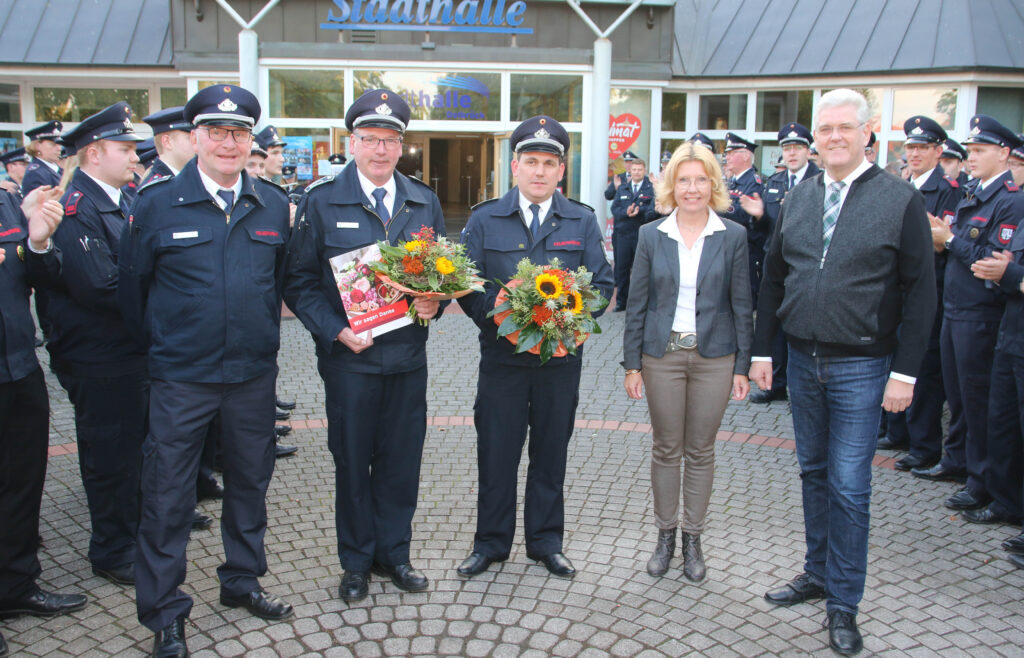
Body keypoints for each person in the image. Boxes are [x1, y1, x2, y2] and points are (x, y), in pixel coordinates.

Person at [750, 89, 935, 656]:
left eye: (843, 128)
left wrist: (904, 373)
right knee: (812, 471)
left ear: (866, 133)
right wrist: (762, 352)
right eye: (824, 128)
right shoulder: (801, 195)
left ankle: (843, 605)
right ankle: (818, 572)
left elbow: (922, 291)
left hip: (863, 363)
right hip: (803, 362)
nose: (832, 137)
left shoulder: (899, 199)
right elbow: (774, 278)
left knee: (851, 486)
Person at [119, 84, 294, 657]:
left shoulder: (271, 204)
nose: (228, 142)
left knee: (249, 484)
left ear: (250, 142)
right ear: (193, 138)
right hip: (181, 378)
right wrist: (170, 348)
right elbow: (133, 293)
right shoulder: (155, 204)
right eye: (215, 132)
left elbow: (283, 284)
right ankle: (165, 614)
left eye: (238, 133)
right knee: (167, 496)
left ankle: (242, 581)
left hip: (250, 377)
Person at [283, 88, 445, 603]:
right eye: (370, 139)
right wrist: (334, 329)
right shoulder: (321, 200)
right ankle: (355, 561)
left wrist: (433, 303)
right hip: (349, 360)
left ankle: (394, 554)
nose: (380, 150)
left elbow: (441, 272)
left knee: (401, 462)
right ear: (351, 142)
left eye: (390, 140)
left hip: (406, 359)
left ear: (402, 146)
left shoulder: (424, 201)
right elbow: (299, 282)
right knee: (352, 461)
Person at [456, 115, 614, 580]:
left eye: (549, 163)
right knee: (497, 453)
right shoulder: (486, 218)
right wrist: (509, 319)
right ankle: (490, 544)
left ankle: (546, 543)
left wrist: (564, 321)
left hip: (560, 363)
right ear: (515, 167)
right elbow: (468, 285)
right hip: (503, 362)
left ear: (562, 171)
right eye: (531, 162)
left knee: (551, 454)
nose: (540, 171)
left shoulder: (581, 221)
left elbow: (601, 287)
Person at [622, 142, 752, 582]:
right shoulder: (651, 235)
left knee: (700, 450)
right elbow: (637, 303)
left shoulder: (733, 235)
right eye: (683, 180)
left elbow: (742, 303)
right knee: (665, 447)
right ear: (670, 185)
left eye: (700, 179)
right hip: (663, 356)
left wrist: (742, 367)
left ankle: (693, 539)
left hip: (716, 357)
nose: (692, 188)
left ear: (712, 184)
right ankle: (665, 536)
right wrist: (632, 364)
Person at [34, 102, 148, 587]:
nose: (134, 158)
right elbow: (101, 286)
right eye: (124, 149)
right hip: (98, 356)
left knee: (131, 453)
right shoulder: (77, 207)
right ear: (94, 153)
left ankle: (132, 534)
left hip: (125, 353)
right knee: (110, 456)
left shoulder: (119, 199)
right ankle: (112, 548)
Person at [918, 117, 1024, 520]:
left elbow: (989, 264)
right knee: (960, 396)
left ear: (1003, 154)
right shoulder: (974, 193)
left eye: (980, 151)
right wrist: (949, 239)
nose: (970, 157)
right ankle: (962, 464)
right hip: (956, 308)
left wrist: (951, 241)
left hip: (981, 313)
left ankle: (982, 482)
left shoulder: (1010, 201)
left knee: (980, 402)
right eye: (971, 150)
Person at [0, 186, 88, 625]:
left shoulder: (4, 202)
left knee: (22, 482)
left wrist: (38, 241)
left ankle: (15, 585)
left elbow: (45, 279)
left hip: (17, 366)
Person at [877, 116, 963, 472]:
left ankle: (925, 446)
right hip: (897, 290)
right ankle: (898, 431)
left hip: (931, 290)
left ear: (938, 151)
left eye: (922, 147)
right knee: (895, 359)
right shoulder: (903, 185)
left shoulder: (949, 191)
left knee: (924, 371)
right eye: (910, 147)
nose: (914, 153)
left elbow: (939, 243)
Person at [740, 122, 820, 405]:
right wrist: (759, 216)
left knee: (800, 326)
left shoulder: (821, 181)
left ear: (809, 151)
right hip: (775, 266)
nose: (792, 153)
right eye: (787, 148)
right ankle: (775, 382)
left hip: (806, 267)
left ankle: (802, 388)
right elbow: (763, 231)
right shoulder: (773, 184)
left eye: (798, 147)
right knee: (772, 321)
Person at [721, 133, 767, 305]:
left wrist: (719, 207)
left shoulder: (753, 183)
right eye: (727, 153)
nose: (727, 157)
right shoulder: (733, 182)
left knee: (743, 299)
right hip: (730, 246)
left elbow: (745, 215)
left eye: (732, 153)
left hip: (746, 249)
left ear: (746, 155)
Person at [610, 157, 655, 311]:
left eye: (639, 170)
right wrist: (626, 212)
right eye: (634, 170)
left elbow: (653, 210)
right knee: (621, 270)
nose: (636, 172)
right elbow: (614, 209)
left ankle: (639, 304)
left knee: (641, 271)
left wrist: (639, 211)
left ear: (644, 171)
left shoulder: (650, 188)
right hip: (623, 235)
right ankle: (621, 302)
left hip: (641, 235)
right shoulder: (623, 188)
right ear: (631, 171)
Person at [140, 107, 195, 186]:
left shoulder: (183, 179)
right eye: (190, 138)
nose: (196, 144)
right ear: (167, 142)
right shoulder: (156, 189)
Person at [21, 121, 64, 196]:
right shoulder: (35, 174)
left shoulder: (56, 169)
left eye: (59, 144)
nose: (59, 148)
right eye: (53, 144)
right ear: (37, 146)